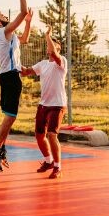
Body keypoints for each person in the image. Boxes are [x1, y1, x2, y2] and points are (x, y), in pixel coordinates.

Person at [0, 0, 32, 172]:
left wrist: (28, 23)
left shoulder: (9, 35)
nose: (6, 17)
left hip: (10, 75)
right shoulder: (1, 32)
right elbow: (21, 13)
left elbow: (25, 39)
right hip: (10, 77)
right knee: (11, 116)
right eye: (4, 15)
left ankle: (1, 147)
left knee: (9, 116)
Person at [21, 25, 67, 179]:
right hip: (43, 105)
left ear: (58, 46)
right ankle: (48, 161)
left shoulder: (61, 62)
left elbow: (53, 52)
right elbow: (26, 72)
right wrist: (12, 64)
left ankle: (57, 167)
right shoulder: (42, 64)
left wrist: (47, 35)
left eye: (53, 43)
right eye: (49, 42)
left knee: (52, 135)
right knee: (39, 135)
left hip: (57, 105)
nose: (50, 45)